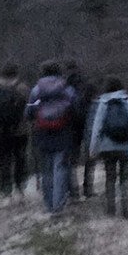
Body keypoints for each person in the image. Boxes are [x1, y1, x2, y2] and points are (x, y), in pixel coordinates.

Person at [88, 76, 128, 218]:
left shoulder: (103, 103)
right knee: (125, 177)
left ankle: (111, 208)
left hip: (107, 148)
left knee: (110, 177)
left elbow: (97, 128)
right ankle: (126, 208)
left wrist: (93, 149)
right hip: (127, 146)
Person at [25, 61, 78, 214]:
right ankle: (58, 204)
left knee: (46, 169)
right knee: (60, 167)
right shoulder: (67, 88)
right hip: (63, 131)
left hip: (42, 132)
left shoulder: (36, 90)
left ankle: (49, 204)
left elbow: (28, 113)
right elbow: (75, 108)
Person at [0, 62, 29, 197]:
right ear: (16, 72)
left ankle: (6, 189)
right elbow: (27, 108)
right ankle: (20, 187)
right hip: (19, 130)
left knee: (3, 160)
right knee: (20, 158)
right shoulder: (22, 87)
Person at [63, 61, 96, 200]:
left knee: (72, 160)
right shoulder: (87, 84)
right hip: (88, 123)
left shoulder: (64, 87)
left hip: (71, 126)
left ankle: (74, 191)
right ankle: (88, 188)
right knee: (90, 157)